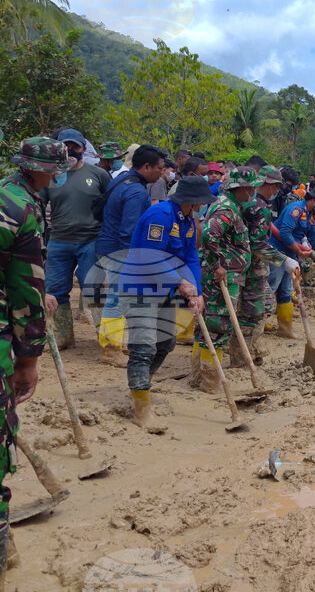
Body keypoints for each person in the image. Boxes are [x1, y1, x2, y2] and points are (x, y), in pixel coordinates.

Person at [0, 138, 72, 592]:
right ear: (44, 172)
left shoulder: (6, 195)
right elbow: (26, 292)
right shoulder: (24, 209)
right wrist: (29, 362)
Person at [119, 176, 211, 432]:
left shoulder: (188, 221)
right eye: (201, 201)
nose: (203, 206)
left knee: (166, 343)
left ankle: (140, 385)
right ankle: (141, 410)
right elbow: (149, 258)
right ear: (191, 200)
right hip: (140, 288)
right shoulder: (159, 216)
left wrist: (197, 291)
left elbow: (191, 256)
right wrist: (181, 283)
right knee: (144, 346)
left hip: (167, 290)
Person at [94, 145, 165, 367]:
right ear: (146, 166)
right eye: (159, 168)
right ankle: (110, 348)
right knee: (116, 298)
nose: (162, 173)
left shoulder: (124, 179)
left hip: (109, 245)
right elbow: (128, 230)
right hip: (119, 249)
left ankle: (117, 340)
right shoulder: (136, 192)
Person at [40, 128, 111, 347]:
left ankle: (107, 338)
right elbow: (39, 207)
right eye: (66, 146)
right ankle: (63, 337)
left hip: (91, 240)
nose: (71, 150)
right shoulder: (51, 176)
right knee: (55, 289)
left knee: (94, 288)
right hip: (59, 241)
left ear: (83, 148)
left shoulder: (98, 174)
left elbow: (110, 207)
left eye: (75, 146)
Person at [190, 169, 255, 392]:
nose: (253, 192)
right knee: (219, 325)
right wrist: (217, 265)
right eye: (251, 188)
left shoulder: (230, 205)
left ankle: (197, 376)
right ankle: (210, 382)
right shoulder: (226, 207)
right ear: (244, 189)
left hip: (224, 274)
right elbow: (209, 235)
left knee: (206, 325)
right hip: (220, 277)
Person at [237, 165, 297, 364]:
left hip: (241, 262)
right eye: (276, 186)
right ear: (268, 185)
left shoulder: (247, 202)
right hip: (253, 264)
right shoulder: (259, 207)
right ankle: (244, 354)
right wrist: (284, 260)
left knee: (258, 306)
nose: (276, 191)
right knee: (255, 309)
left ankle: (250, 351)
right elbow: (259, 244)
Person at [268, 185, 315, 337]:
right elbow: (285, 233)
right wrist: (300, 251)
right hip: (277, 254)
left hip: (291, 256)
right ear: (314, 200)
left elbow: (314, 239)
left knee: (287, 292)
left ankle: (285, 329)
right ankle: (258, 326)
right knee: (270, 289)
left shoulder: (309, 215)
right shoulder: (295, 210)